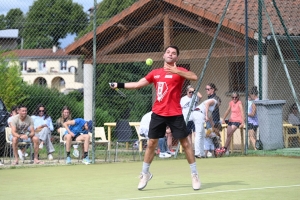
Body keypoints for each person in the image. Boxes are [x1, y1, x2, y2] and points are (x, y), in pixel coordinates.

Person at [110, 45, 200, 190]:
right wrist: (118, 85)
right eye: (168, 52)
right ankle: (145, 174)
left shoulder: (180, 71)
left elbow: (194, 77)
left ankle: (194, 175)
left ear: (176, 58)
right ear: (163, 56)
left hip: (175, 113)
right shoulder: (155, 73)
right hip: (158, 113)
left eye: (174, 53)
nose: (170, 54)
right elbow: (138, 84)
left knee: (186, 144)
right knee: (151, 143)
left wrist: (177, 71)